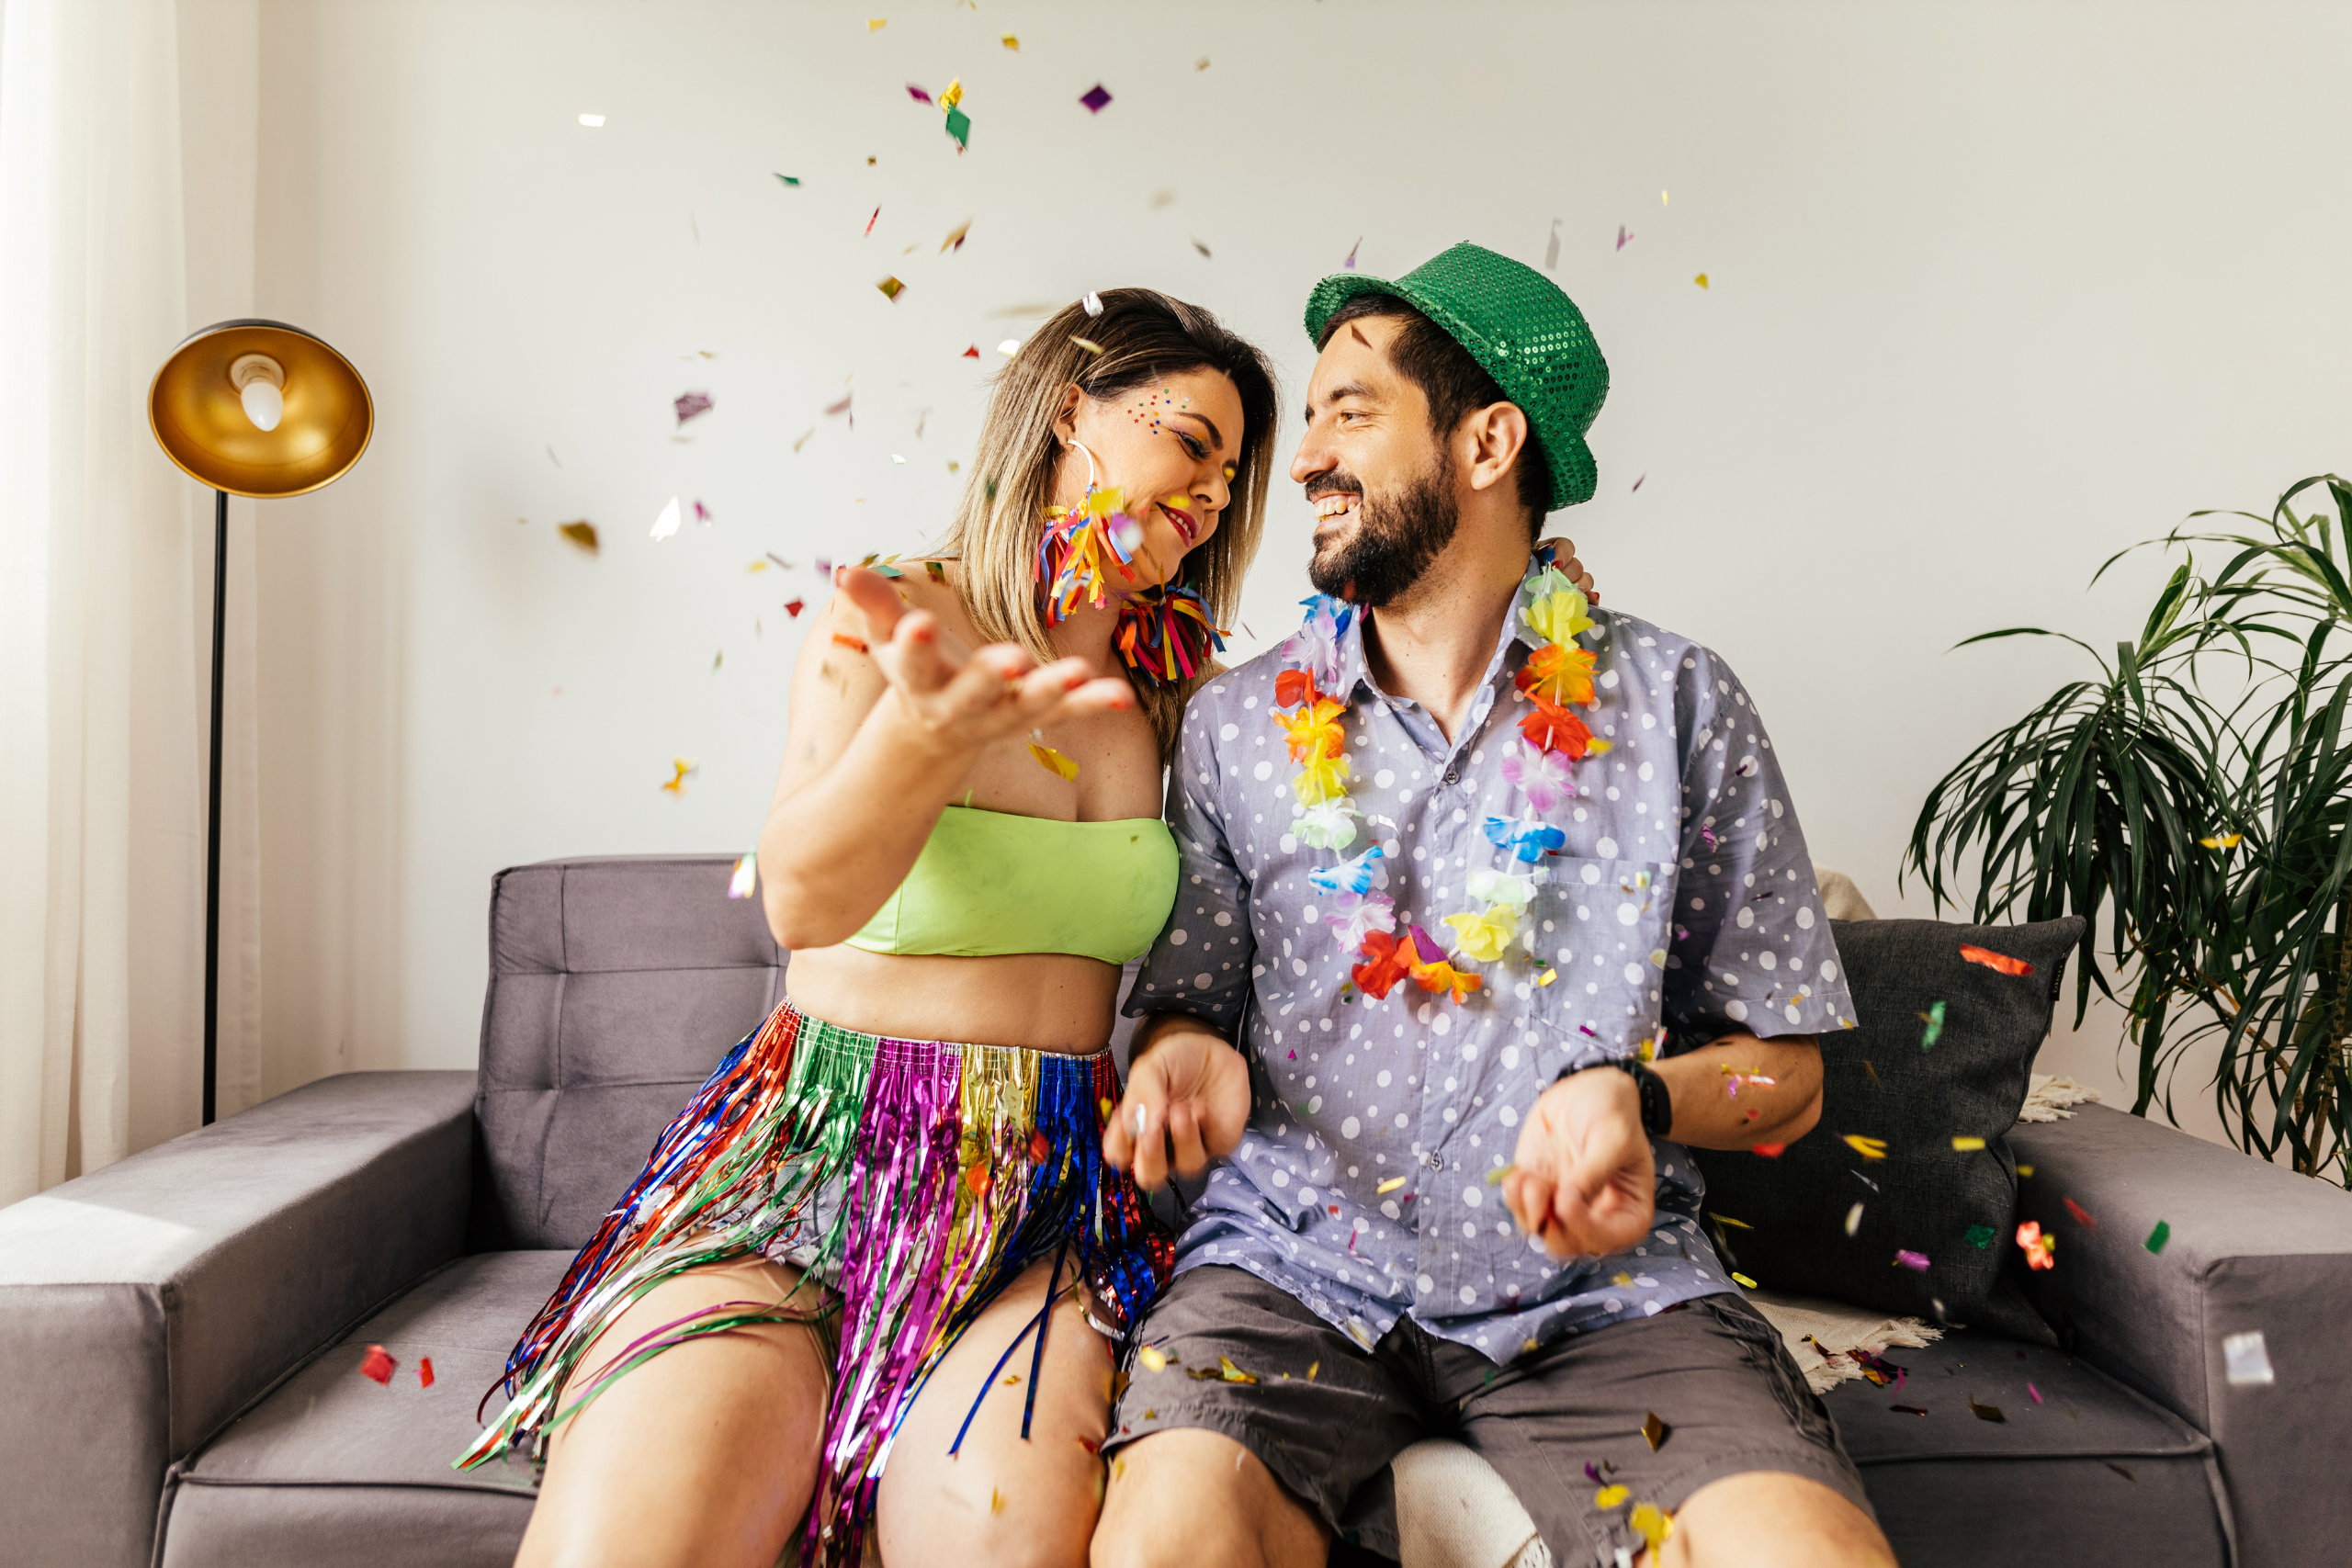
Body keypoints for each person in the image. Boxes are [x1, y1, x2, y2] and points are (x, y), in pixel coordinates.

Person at [1091, 244, 1897, 1568]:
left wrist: (1640, 1101)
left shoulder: (1677, 703)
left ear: (1487, 442)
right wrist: (1181, 1054)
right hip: (1291, 1277)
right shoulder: (1236, 727)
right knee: (1160, 1548)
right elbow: (1184, 1008)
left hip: (1603, 1299)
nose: (1304, 460)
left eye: (1351, 412)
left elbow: (1790, 1080)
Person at [458, 289, 1283, 1568]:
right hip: (813, 1154)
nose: (1216, 495)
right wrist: (922, 735)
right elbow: (800, 897)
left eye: (1233, 477)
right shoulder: (897, 618)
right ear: (1072, 413)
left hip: (1047, 1195)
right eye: (1192, 443)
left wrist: (1525, 617)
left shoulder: (1185, 695)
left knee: (999, 1540)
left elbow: (1358, 755)